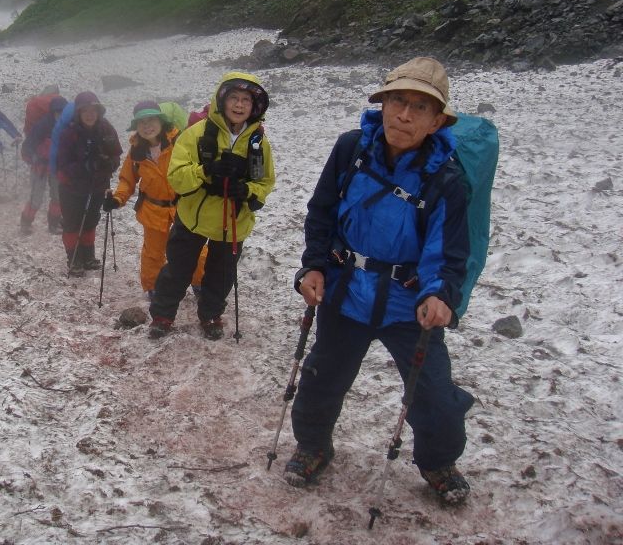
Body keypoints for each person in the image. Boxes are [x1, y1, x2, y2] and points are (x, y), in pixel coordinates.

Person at [285, 56, 474, 505]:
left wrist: (439, 293)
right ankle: (313, 446)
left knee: (433, 396)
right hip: (347, 291)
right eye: (396, 101)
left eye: (418, 108)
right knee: (321, 377)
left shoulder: (447, 179)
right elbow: (323, 213)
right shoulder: (351, 149)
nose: (404, 115)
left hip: (407, 304)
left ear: (437, 121)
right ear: (383, 103)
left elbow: (447, 254)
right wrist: (313, 265)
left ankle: (437, 462)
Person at [147, 72, 275, 340]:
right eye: (234, 98)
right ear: (221, 100)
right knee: (178, 268)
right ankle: (162, 315)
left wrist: (247, 190)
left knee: (222, 274)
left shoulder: (258, 143)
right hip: (193, 217)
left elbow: (264, 183)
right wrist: (207, 171)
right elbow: (177, 177)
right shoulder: (196, 134)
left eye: (246, 101)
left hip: (233, 221)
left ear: (254, 107)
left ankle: (211, 315)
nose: (239, 105)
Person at [104, 101, 207, 298]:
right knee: (153, 252)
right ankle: (154, 287)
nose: (147, 125)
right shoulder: (136, 152)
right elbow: (127, 180)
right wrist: (117, 199)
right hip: (153, 208)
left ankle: (201, 283)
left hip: (183, 206)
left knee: (195, 249)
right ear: (136, 127)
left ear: (161, 121)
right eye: (141, 122)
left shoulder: (179, 142)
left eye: (151, 119)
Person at [56, 92, 123, 276]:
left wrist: (111, 163)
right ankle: (74, 259)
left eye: (93, 110)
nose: (89, 114)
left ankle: (88, 256)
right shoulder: (69, 133)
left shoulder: (106, 129)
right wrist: (87, 165)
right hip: (72, 186)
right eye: (85, 110)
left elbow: (117, 152)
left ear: (98, 111)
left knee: (91, 220)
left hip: (97, 185)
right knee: (72, 222)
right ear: (78, 113)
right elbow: (62, 164)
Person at [20, 95, 68, 234]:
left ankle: (53, 224)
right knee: (36, 197)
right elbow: (28, 145)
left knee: (57, 196)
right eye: (57, 112)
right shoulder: (43, 125)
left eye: (62, 112)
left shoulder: (67, 126)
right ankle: (26, 223)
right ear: (52, 111)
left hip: (56, 167)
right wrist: (32, 158)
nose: (59, 115)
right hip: (40, 166)